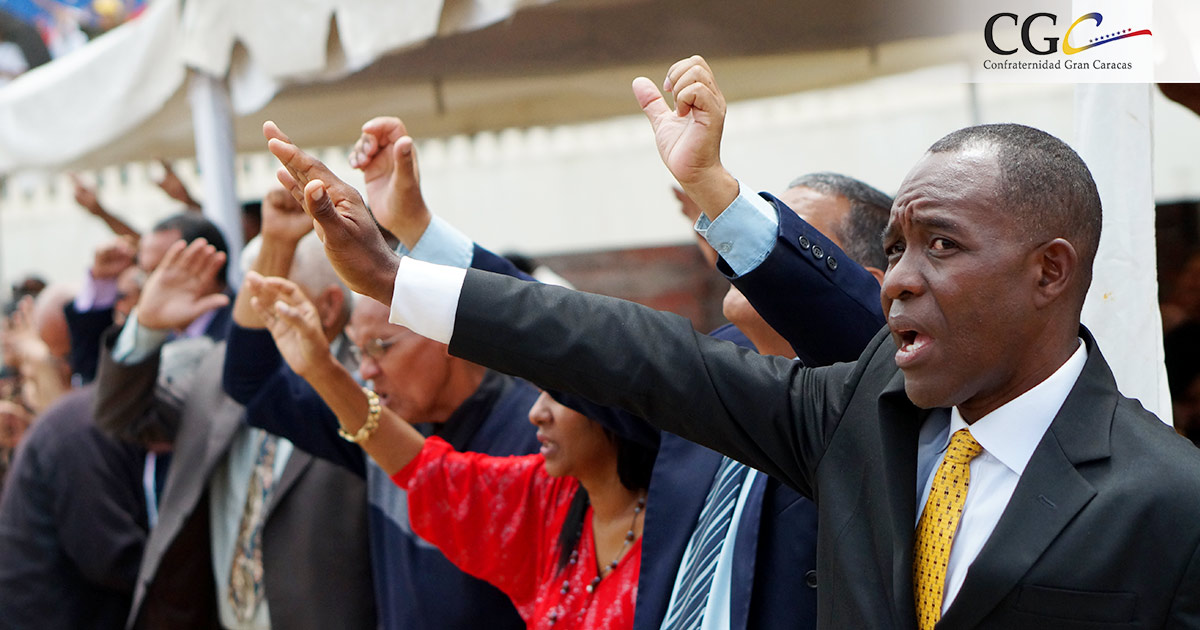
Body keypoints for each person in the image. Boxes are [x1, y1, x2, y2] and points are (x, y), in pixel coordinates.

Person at [265, 54, 1200, 629]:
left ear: (1049, 271)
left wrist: (722, 192)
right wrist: (398, 276)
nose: (902, 279)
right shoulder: (853, 414)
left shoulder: (1167, 496)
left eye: (942, 247)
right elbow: (615, 348)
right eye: (894, 251)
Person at [344, 114, 892, 630]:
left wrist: (717, 189)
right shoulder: (725, 360)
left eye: (785, 235)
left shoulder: (880, 402)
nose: (746, 247)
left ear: (859, 285)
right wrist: (416, 233)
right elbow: (570, 339)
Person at [241, 270, 655, 630]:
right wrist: (321, 369)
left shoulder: (672, 532)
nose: (537, 413)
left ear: (616, 407)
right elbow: (427, 472)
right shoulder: (546, 497)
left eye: (559, 397)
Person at [222, 183, 540, 630]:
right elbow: (250, 382)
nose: (367, 371)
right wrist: (276, 241)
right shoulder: (379, 424)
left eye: (380, 347)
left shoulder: (536, 431)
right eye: (358, 349)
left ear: (448, 334)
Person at [92, 233, 375, 630]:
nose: (250, 316)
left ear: (327, 307)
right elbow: (123, 417)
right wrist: (145, 328)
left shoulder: (369, 389)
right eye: (247, 296)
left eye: (268, 298)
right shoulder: (218, 370)